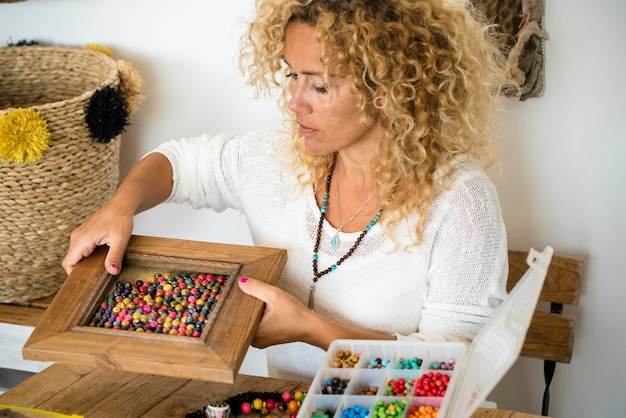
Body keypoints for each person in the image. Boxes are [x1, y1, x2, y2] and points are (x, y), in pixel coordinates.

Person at [63, 0, 513, 382]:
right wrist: (120, 207)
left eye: (319, 84)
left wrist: (311, 328)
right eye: (290, 75)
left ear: (390, 88)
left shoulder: (459, 199)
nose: (295, 102)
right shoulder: (278, 158)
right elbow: (180, 163)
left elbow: (453, 367)